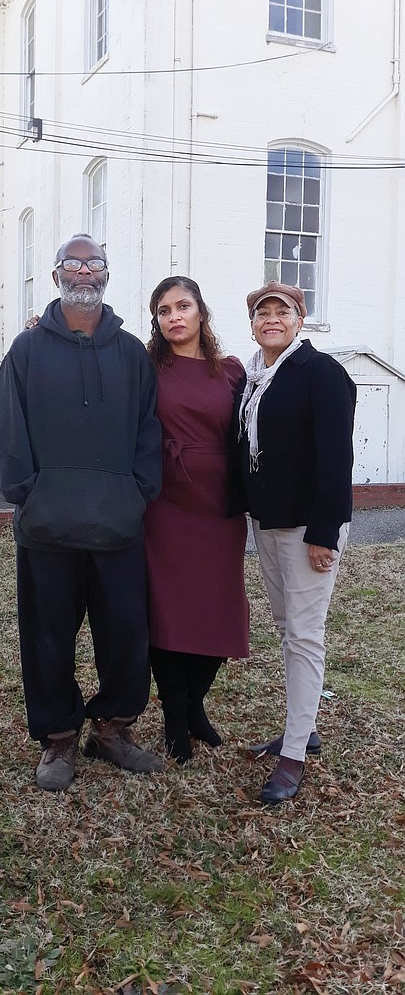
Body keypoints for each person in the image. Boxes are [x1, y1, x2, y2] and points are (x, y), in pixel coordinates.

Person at [0, 233, 164, 792]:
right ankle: (59, 738)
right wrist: (27, 492)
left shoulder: (132, 351)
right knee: (47, 637)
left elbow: (147, 429)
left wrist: (138, 492)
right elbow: (10, 432)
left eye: (95, 264)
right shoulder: (27, 351)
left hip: (118, 524)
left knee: (125, 635)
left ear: (108, 274)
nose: (84, 272)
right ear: (56, 273)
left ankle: (112, 729)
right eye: (74, 263)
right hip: (47, 528)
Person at [236, 280, 356, 805]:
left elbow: (336, 459)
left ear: (299, 320)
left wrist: (325, 533)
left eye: (282, 311)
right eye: (263, 312)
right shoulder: (256, 376)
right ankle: (301, 729)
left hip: (309, 527)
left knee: (305, 636)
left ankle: (294, 757)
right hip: (267, 522)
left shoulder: (320, 373)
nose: (272, 319)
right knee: (287, 629)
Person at [144, 277, 250, 764]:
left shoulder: (231, 372)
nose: (174, 317)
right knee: (168, 611)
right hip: (165, 506)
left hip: (218, 507)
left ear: (201, 313)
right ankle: (174, 717)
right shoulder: (146, 368)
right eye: (164, 310)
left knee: (218, 607)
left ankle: (196, 705)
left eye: (182, 306)